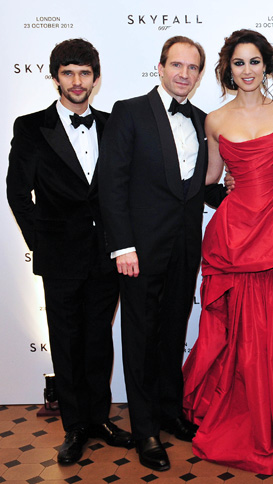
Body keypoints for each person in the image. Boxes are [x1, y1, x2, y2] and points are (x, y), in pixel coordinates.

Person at [181, 29, 273, 479]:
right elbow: (209, 177)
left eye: (255, 62)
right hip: (236, 230)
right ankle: (250, 418)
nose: (247, 70)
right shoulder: (213, 120)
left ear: (268, 66)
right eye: (239, 63)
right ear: (228, 68)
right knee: (244, 331)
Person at [99, 36, 225, 472]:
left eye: (192, 68)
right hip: (139, 250)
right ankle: (145, 428)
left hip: (185, 248)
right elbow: (111, 184)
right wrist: (123, 246)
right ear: (160, 67)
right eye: (177, 65)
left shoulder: (203, 119)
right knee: (140, 336)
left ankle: (170, 411)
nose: (184, 75)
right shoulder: (129, 111)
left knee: (172, 330)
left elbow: (204, 188)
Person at [6, 38, 132, 466]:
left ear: (96, 79)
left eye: (84, 73)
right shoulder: (31, 126)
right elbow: (18, 193)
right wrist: (41, 244)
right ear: (56, 77)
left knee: (98, 339)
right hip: (59, 255)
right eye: (68, 73)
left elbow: (124, 189)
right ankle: (75, 426)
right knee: (66, 340)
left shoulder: (114, 124)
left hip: (106, 253)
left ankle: (99, 418)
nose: (77, 82)